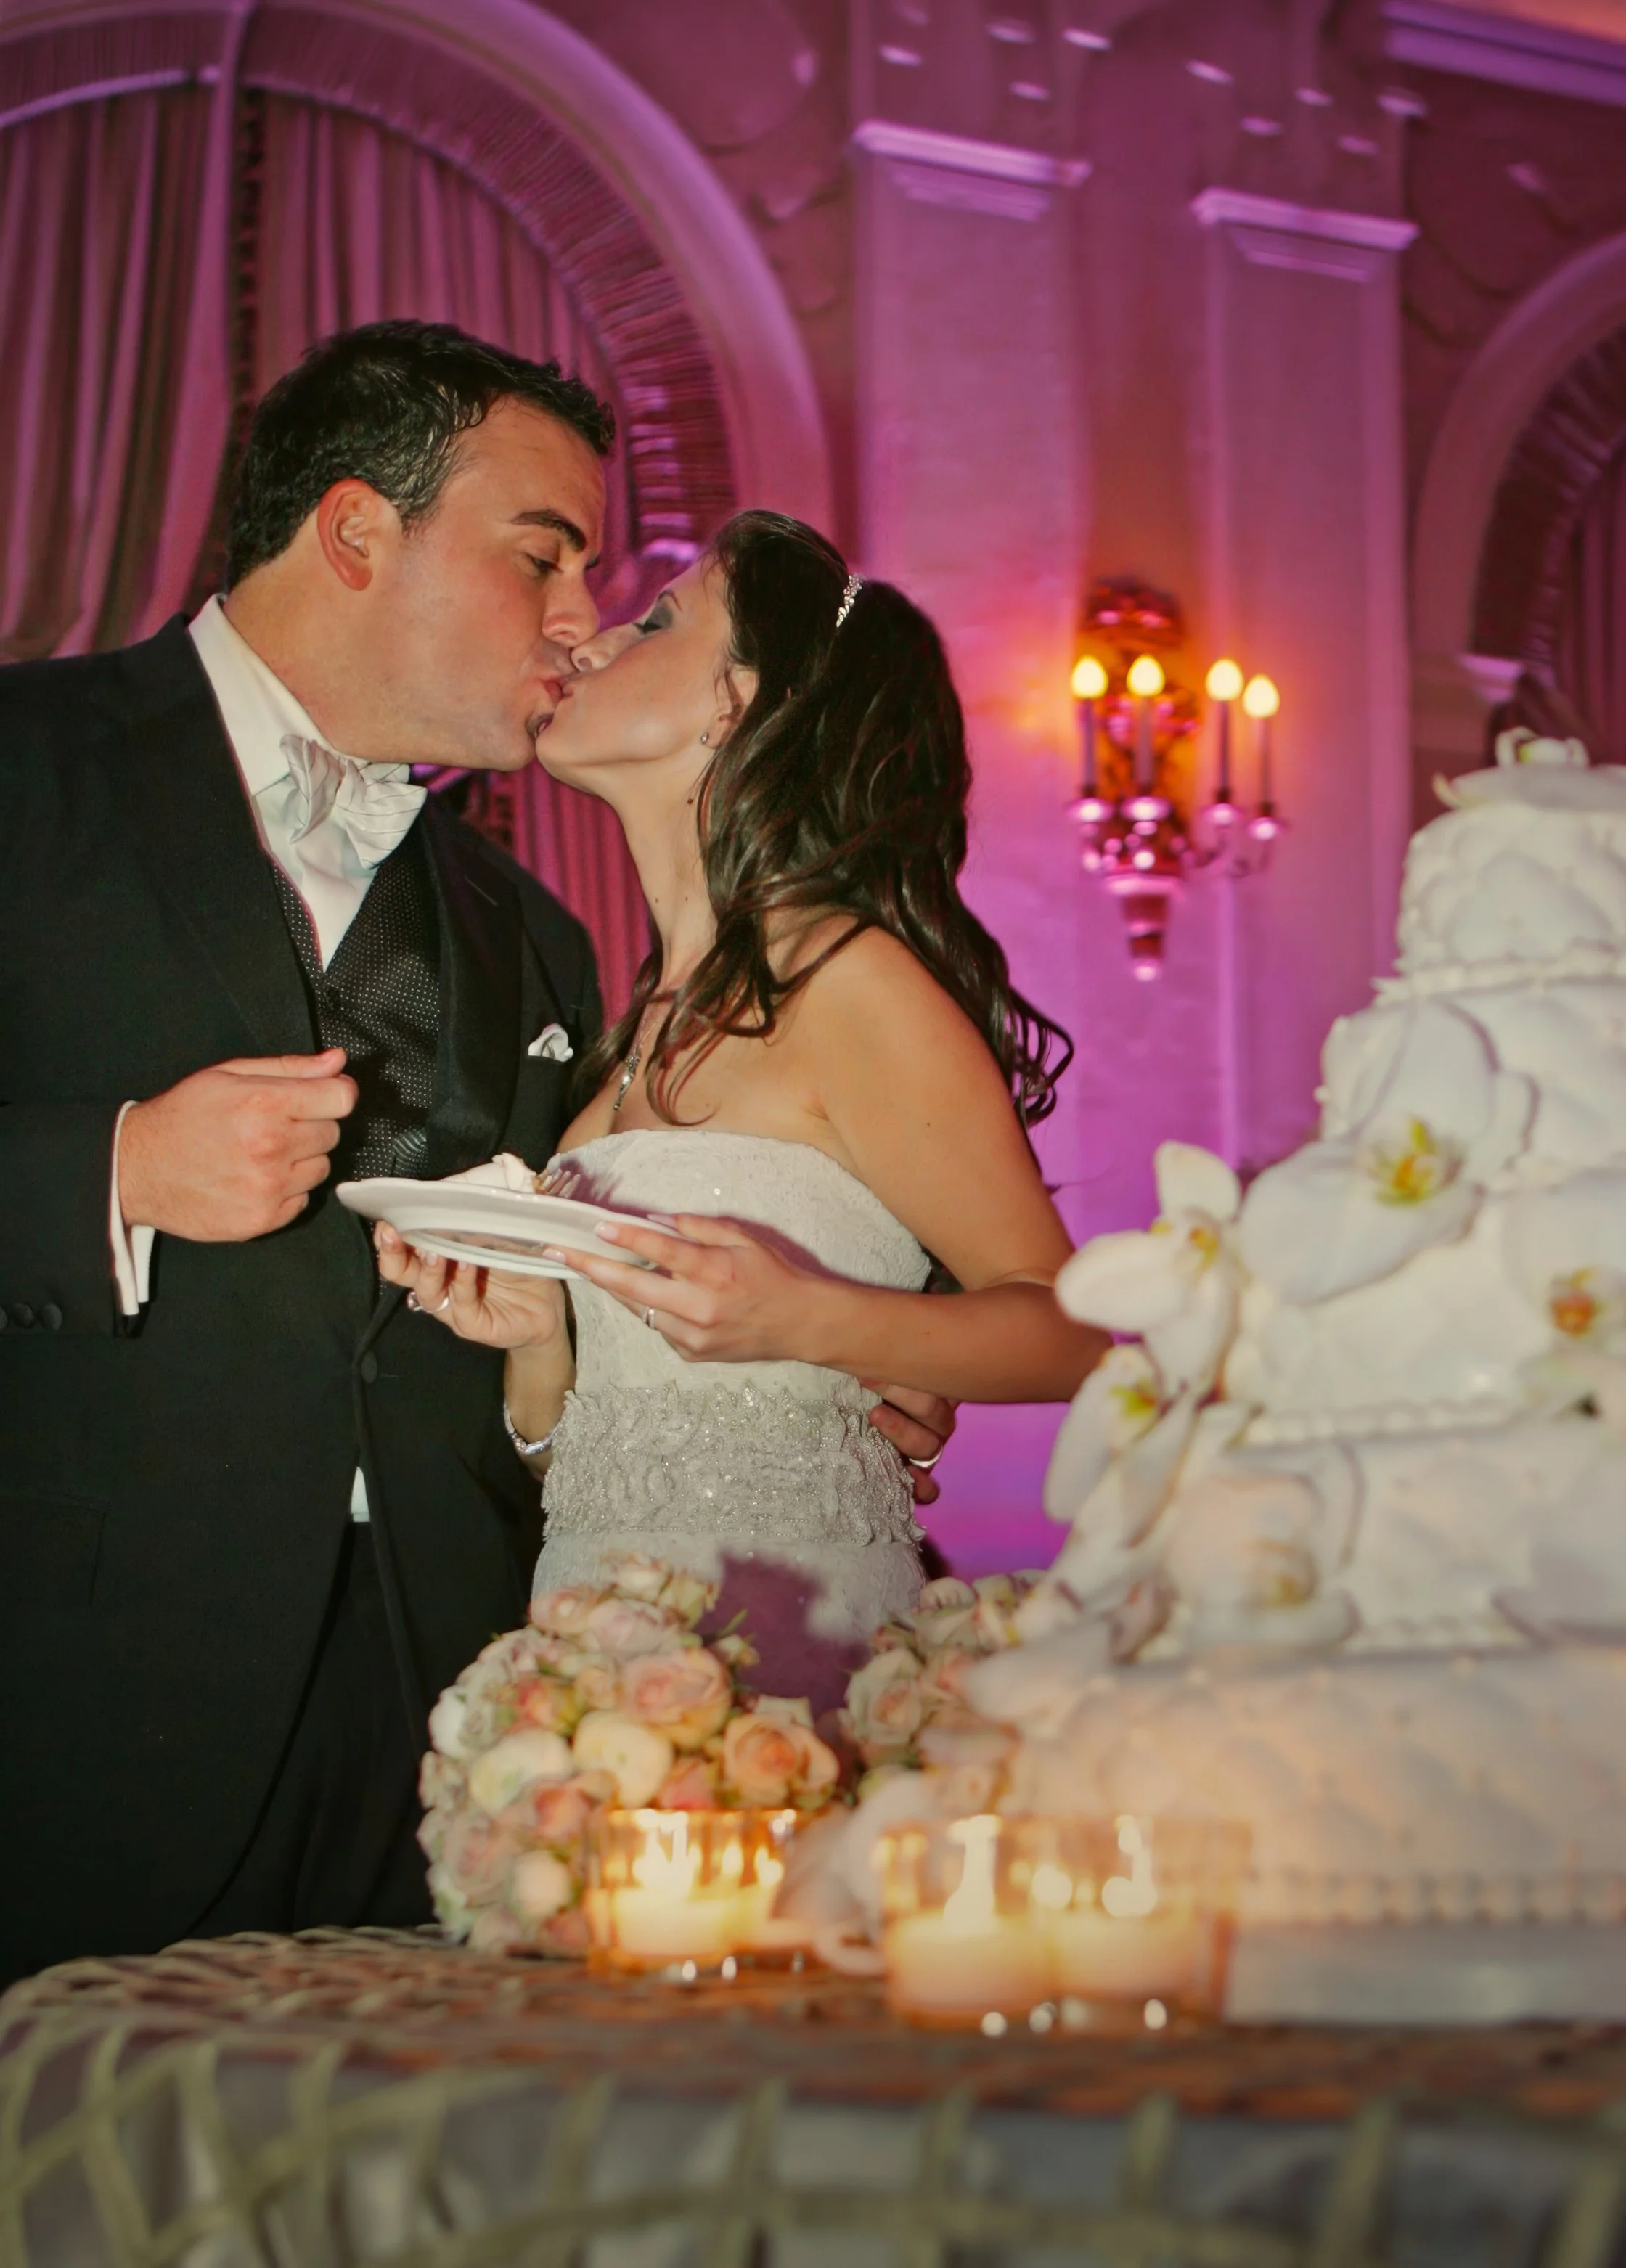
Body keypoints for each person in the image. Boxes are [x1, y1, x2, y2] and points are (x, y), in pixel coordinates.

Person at [0, 320, 615, 1983]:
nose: (581, 619)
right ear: (356, 531)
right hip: (68, 1723)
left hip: (440, 1740)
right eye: (541, 554)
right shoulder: (21, 766)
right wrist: (107, 1174)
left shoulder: (537, 934)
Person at [376, 510, 1108, 1708]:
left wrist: (812, 1317)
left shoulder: (847, 980)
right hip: (591, 1662)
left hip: (788, 1655)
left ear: (740, 704)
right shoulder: (628, 1024)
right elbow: (593, 1451)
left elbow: (1069, 1334)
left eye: (658, 618)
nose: (599, 639)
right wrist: (537, 1342)